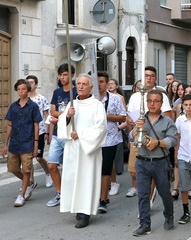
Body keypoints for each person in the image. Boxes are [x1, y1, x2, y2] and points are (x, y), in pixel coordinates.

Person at [58, 73, 107, 228]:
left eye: (84, 84)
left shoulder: (97, 105)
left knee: (86, 180)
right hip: (73, 148)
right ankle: (76, 208)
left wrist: (81, 134)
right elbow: (62, 125)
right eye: (78, 84)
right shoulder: (72, 104)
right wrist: (67, 116)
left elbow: (101, 128)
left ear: (91, 87)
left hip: (88, 150)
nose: (80, 86)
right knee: (73, 179)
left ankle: (85, 213)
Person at [131, 89, 177, 237]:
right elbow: (132, 138)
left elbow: (173, 140)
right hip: (142, 162)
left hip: (160, 163)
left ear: (161, 103)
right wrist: (136, 130)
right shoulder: (141, 119)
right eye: (149, 101)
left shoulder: (168, 121)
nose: (152, 104)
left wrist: (158, 142)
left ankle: (169, 215)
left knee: (165, 193)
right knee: (143, 195)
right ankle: (145, 224)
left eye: (156, 101)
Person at [127, 66, 172, 207]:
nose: (149, 78)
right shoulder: (135, 96)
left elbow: (169, 117)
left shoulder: (162, 95)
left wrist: (159, 137)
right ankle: (146, 196)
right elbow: (129, 118)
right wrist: (131, 135)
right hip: (138, 138)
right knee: (133, 171)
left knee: (151, 173)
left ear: (155, 78)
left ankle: (148, 199)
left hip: (155, 138)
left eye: (152, 76)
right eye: (146, 75)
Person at [2, 79, 42, 207]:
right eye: (19, 89)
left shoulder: (33, 106)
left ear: (28, 90)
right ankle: (30, 183)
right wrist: (5, 143)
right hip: (14, 142)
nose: (21, 91)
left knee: (26, 169)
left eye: (23, 89)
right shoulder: (13, 106)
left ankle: (22, 194)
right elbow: (9, 124)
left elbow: (36, 125)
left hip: (28, 142)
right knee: (13, 168)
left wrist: (36, 143)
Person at [46, 63, 77, 207]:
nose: (62, 77)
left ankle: (74, 193)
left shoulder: (76, 92)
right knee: (51, 165)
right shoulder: (57, 92)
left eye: (65, 74)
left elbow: (77, 112)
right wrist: (65, 115)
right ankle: (60, 192)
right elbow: (53, 111)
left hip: (71, 134)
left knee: (72, 167)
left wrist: (62, 116)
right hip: (58, 133)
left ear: (71, 75)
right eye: (61, 75)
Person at [97, 72, 126, 213]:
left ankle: (103, 200)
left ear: (107, 83)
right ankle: (98, 196)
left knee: (105, 169)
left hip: (110, 139)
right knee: (95, 170)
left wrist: (106, 116)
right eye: (96, 81)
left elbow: (122, 116)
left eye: (101, 81)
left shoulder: (115, 99)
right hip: (94, 140)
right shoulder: (90, 99)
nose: (99, 84)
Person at [26, 75, 53, 189]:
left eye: (31, 82)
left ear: (36, 85)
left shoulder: (41, 98)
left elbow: (48, 116)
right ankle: (31, 180)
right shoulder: (24, 98)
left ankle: (48, 173)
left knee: (38, 157)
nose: (29, 85)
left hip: (40, 131)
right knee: (28, 158)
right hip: (27, 132)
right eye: (27, 82)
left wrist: (47, 132)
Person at [175, 94, 191, 224]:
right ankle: (186, 212)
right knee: (184, 187)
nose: (189, 107)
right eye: (186, 105)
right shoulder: (180, 120)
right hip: (183, 156)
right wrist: (176, 156)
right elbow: (177, 138)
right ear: (182, 106)